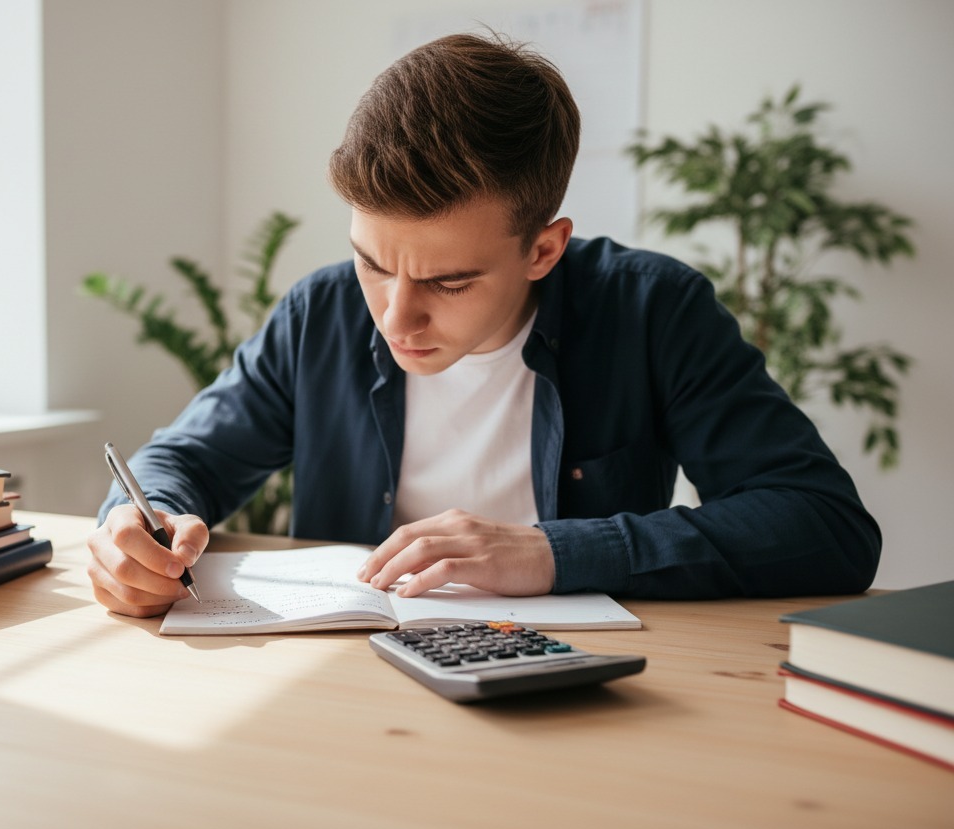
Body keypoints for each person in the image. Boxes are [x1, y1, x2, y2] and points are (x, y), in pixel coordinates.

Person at [87, 32, 880, 619]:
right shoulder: (318, 313)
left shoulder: (653, 311)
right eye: (372, 263)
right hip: (342, 685)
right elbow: (184, 459)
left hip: (574, 691)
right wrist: (139, 524)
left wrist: (553, 552)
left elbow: (825, 525)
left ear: (543, 249)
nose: (395, 316)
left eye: (449, 281)